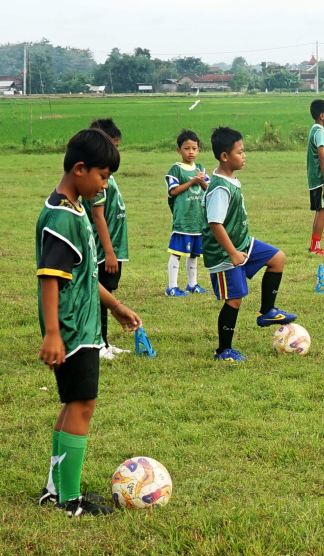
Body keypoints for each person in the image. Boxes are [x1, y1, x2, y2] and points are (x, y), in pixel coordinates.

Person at [36, 128, 142, 517]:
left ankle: (56, 489)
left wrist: (113, 305)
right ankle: (69, 500)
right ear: (80, 169)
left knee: (73, 403)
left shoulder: (75, 208)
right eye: (103, 175)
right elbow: (50, 276)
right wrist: (52, 332)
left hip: (82, 327)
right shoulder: (61, 217)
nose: (105, 183)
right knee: (83, 404)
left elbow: (82, 275)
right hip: (70, 329)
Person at [202, 127, 297, 362]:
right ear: (225, 156)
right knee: (234, 299)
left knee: (277, 259)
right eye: (240, 152)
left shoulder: (229, 179)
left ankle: (267, 312)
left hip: (243, 242)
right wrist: (233, 253)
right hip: (225, 252)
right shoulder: (221, 187)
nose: (244, 156)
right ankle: (223, 350)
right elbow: (215, 224)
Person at [83, 118, 130, 360]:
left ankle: (104, 342)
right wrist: (109, 253)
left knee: (106, 293)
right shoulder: (99, 181)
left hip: (114, 248)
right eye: (112, 146)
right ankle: (97, 345)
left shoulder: (107, 176)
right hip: (103, 251)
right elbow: (98, 217)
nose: (115, 153)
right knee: (99, 296)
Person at [164, 130, 210, 296]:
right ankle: (172, 287)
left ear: (198, 150)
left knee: (194, 254)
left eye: (194, 148)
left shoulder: (200, 168)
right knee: (177, 252)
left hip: (197, 219)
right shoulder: (176, 169)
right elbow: (173, 191)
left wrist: (201, 180)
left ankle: (192, 284)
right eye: (186, 148)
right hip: (183, 219)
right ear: (179, 150)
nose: (191, 152)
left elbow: (209, 189)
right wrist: (192, 181)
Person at [307, 99, 324, 256]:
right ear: (322, 115)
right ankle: (315, 248)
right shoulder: (319, 132)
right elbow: (322, 157)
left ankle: (314, 246)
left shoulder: (316, 130)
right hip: (320, 179)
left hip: (318, 179)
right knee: (322, 211)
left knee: (321, 210)